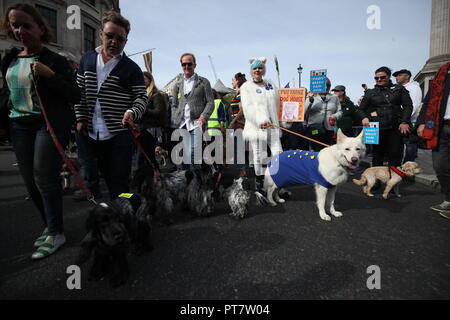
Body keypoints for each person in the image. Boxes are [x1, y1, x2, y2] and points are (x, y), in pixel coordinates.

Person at [0, 3, 80, 259]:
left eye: (26, 25)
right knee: (30, 183)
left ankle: (57, 232)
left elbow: (74, 95)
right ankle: (50, 224)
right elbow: (7, 93)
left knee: (44, 177)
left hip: (47, 125)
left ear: (41, 29)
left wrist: (50, 75)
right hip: (18, 124)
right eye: (15, 25)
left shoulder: (54, 60)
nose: (20, 30)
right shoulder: (10, 58)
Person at [74, 11, 147, 200]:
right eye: (109, 36)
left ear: (126, 41)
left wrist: (132, 111)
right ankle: (100, 221)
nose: (114, 41)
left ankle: (125, 215)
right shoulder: (86, 60)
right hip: (87, 133)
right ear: (101, 34)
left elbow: (141, 97)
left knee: (119, 183)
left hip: (118, 134)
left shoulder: (132, 68)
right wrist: (80, 118)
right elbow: (78, 92)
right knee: (90, 179)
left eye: (120, 39)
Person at [240, 57, 282, 196]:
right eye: (255, 68)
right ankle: (259, 184)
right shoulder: (246, 87)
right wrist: (260, 120)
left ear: (264, 69)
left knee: (278, 154)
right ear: (251, 71)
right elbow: (247, 108)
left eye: (260, 68)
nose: (258, 70)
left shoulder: (271, 85)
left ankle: (277, 183)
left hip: (273, 126)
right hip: (256, 127)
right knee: (258, 156)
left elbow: (278, 104)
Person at [358, 66, 413, 168]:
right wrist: (364, 117)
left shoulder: (399, 89)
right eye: (376, 78)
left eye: (382, 77)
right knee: (377, 156)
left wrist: (404, 121)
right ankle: (376, 182)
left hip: (395, 127)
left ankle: (393, 181)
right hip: (376, 128)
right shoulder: (370, 92)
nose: (379, 79)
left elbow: (408, 106)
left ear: (388, 77)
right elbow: (361, 109)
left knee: (395, 155)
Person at [417, 62, 450, 219]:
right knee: (440, 166)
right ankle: (448, 199)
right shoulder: (443, 73)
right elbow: (429, 101)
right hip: (440, 127)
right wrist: (422, 122)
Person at [171, 53, 214, 169]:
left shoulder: (203, 82)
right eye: (183, 64)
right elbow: (173, 104)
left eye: (189, 64)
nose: (186, 66)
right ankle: (186, 182)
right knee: (184, 154)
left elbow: (211, 102)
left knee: (194, 153)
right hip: (182, 124)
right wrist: (175, 117)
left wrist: (204, 116)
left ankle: (197, 181)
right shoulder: (177, 85)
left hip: (197, 123)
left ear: (195, 65)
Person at [137, 71, 168, 169]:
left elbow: (159, 112)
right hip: (142, 129)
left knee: (145, 156)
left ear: (150, 81)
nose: (141, 81)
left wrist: (144, 110)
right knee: (145, 156)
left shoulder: (156, 95)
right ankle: (152, 176)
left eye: (144, 79)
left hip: (151, 129)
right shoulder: (142, 94)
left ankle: (156, 176)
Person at [393, 69, 423, 163]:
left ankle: (408, 165)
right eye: (396, 76)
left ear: (407, 76)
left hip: (409, 121)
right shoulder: (399, 88)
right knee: (401, 145)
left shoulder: (413, 88)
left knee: (410, 144)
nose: (397, 77)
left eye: (400, 75)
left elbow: (413, 105)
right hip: (401, 120)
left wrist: (404, 120)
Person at [304, 78, 342, 151]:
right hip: (315, 128)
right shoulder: (311, 96)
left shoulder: (335, 97)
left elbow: (340, 112)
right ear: (319, 85)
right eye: (325, 85)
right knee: (315, 148)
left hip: (329, 129)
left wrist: (335, 116)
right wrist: (310, 100)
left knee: (327, 150)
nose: (327, 87)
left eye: (329, 85)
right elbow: (305, 112)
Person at [228, 72, 247, 176]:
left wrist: (233, 121)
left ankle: (243, 173)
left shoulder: (242, 93)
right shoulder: (238, 93)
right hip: (238, 124)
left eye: (233, 80)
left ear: (237, 81)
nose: (232, 81)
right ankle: (243, 172)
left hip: (240, 124)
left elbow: (242, 110)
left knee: (238, 149)